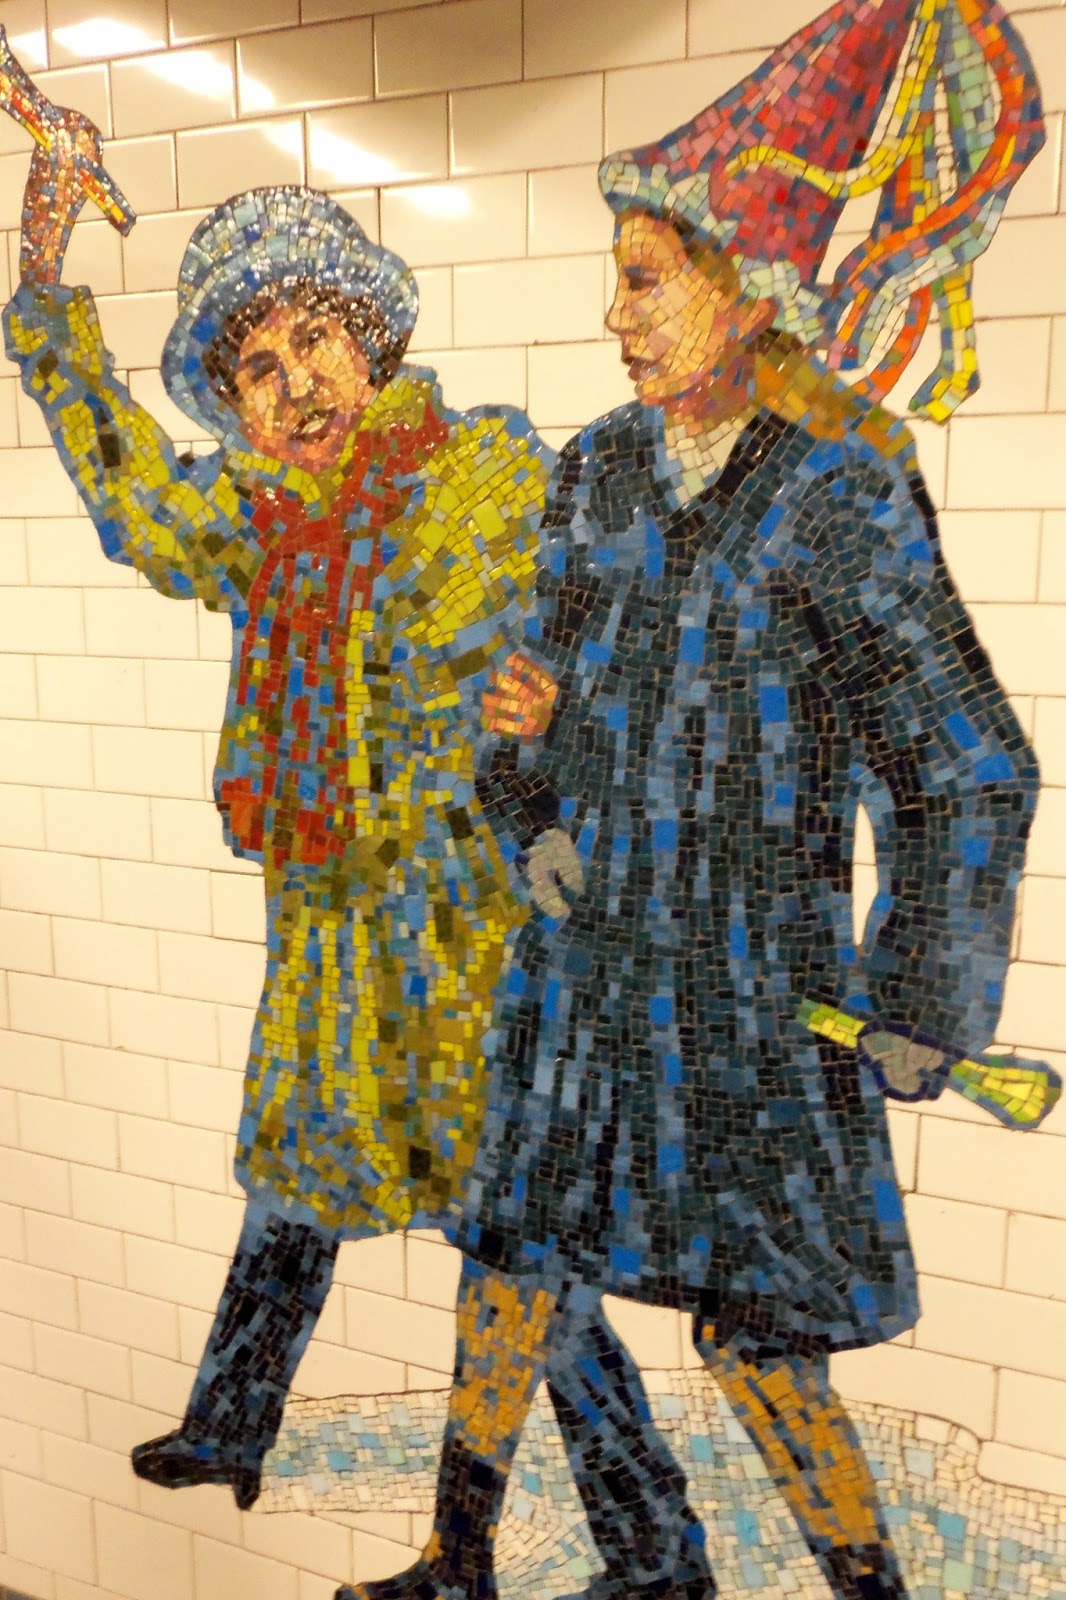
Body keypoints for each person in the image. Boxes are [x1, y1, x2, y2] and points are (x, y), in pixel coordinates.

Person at [335, 3, 1045, 1600]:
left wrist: (923, 994)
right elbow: (527, 690)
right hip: (583, 968)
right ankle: (457, 1560)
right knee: (512, 1263)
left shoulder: (839, 494)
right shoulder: (596, 471)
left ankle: (867, 1591)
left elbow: (964, 767)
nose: (615, 316)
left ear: (752, 288)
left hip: (752, 997)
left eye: (646, 279)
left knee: (757, 1337)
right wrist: (525, 796)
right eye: (619, 279)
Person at [4, 113, 697, 1553]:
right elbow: (129, 490)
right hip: (326, 922)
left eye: (314, 338)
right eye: (258, 368)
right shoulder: (255, 521)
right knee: (293, 1180)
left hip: (472, 938)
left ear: (370, 339)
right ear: (237, 407)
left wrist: (571, 722)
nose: (297, 382)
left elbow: (626, 622)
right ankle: (231, 1424)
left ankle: (650, 1542)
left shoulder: (488, 472)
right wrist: (44, 274)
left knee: (517, 1249)